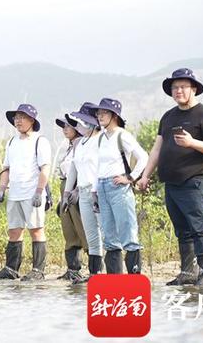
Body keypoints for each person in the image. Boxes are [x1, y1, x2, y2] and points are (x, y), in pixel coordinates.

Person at [138, 68, 203, 287]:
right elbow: (156, 150)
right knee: (182, 229)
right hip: (171, 183)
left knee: (199, 226)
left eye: (183, 86)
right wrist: (145, 175)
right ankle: (187, 272)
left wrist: (192, 142)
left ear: (193, 89)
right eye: (175, 87)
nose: (179, 91)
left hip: (195, 181)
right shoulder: (168, 117)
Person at [0, 104, 51, 281]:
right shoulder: (12, 142)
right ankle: (11, 269)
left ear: (32, 120)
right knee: (14, 231)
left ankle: (38, 270)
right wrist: (2, 189)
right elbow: (6, 168)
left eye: (22, 117)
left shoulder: (40, 141)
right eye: (16, 117)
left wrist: (39, 191)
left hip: (32, 192)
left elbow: (45, 168)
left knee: (36, 229)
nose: (18, 120)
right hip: (15, 193)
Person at [89, 98, 148, 275]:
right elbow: (97, 167)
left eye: (104, 113)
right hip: (102, 186)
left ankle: (134, 276)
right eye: (98, 113)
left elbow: (143, 157)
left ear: (114, 115)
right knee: (109, 235)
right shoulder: (100, 138)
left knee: (128, 232)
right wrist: (94, 190)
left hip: (118, 188)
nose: (100, 116)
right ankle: (114, 277)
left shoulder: (123, 135)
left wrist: (130, 177)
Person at [63, 103, 105, 282]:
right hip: (83, 191)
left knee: (104, 231)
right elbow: (73, 168)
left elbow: (102, 167)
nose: (78, 125)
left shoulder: (102, 140)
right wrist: (67, 193)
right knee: (91, 233)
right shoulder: (80, 143)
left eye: (81, 121)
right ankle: (94, 273)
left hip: (99, 190)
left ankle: (108, 272)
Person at [54, 113, 88, 283]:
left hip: (78, 187)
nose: (65, 129)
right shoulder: (67, 147)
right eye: (64, 126)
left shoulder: (83, 144)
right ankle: (73, 269)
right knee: (69, 230)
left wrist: (77, 190)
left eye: (68, 126)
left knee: (84, 228)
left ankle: (96, 269)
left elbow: (85, 169)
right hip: (65, 187)